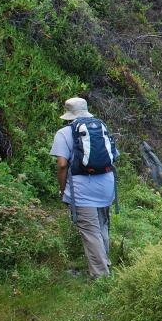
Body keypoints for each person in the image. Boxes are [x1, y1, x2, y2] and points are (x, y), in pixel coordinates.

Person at [50, 97, 116, 279]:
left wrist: (62, 190)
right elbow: (113, 157)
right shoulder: (101, 128)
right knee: (102, 226)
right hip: (106, 185)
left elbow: (62, 164)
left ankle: (101, 276)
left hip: (83, 190)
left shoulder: (64, 133)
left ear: (68, 115)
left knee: (90, 231)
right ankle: (105, 265)